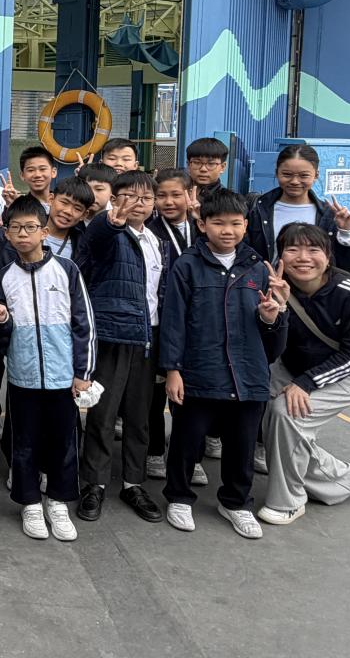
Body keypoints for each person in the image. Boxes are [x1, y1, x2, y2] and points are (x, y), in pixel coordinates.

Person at [160, 189, 289, 538]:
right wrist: (172, 369)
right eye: (218, 223)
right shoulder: (187, 266)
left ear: (246, 225)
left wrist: (274, 316)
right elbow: (173, 321)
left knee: (242, 444)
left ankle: (235, 502)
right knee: (187, 440)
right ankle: (179, 497)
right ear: (202, 224)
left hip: (248, 374)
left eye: (235, 223)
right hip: (199, 370)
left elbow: (274, 344)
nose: (227, 230)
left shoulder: (258, 268)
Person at [0, 196, 94, 542]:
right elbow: (1, 330)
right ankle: (30, 503)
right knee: (24, 443)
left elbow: (84, 324)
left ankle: (58, 502)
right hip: (23, 377)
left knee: (64, 442)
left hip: (63, 377)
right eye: (16, 228)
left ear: (44, 231)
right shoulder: (5, 276)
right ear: (7, 234)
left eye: (30, 227)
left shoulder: (67, 270)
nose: (23, 234)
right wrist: (2, 320)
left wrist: (83, 372)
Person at [258, 222, 350, 526]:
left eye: (313, 249)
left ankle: (288, 502)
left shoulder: (349, 291)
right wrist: (278, 311)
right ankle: (340, 475)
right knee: (255, 401)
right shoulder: (277, 286)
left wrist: (306, 383)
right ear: (280, 254)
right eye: (293, 249)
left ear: (328, 255)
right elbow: (272, 344)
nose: (303, 258)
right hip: (294, 367)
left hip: (347, 373)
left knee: (285, 414)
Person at [76, 170, 167, 525]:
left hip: (147, 338)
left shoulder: (155, 240)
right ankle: (94, 483)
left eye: (146, 198)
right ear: (114, 200)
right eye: (129, 196)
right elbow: (95, 243)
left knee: (140, 416)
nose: (138, 204)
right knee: (102, 413)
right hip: (113, 335)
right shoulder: (110, 232)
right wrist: (111, 223)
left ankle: (133, 483)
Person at [144, 168, 213, 482]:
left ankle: (191, 456)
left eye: (176, 195)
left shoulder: (205, 228)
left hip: (200, 323)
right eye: (162, 195)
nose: (169, 202)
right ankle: (155, 450)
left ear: (191, 194)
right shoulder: (149, 230)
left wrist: (201, 224)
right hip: (162, 320)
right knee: (156, 393)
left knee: (192, 394)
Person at [245, 144, 350, 272]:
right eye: (287, 174)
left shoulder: (330, 216)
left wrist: (346, 231)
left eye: (303, 175)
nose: (295, 181)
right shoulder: (257, 209)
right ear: (276, 173)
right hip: (264, 283)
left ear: (316, 175)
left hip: (313, 285)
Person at [185, 136, 229, 201]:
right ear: (188, 165)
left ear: (222, 167)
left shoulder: (226, 200)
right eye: (197, 162)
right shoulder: (178, 191)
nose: (203, 169)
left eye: (211, 164)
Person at [19, 146, 58, 211]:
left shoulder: (62, 204)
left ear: (53, 172)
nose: (37, 175)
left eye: (42, 169)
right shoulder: (18, 207)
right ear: (22, 175)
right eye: (31, 170)